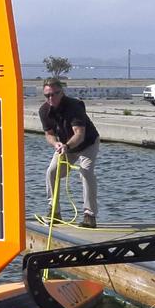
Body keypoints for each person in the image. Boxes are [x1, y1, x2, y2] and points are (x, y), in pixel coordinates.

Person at [39, 79, 99, 228]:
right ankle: (55, 212)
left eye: (54, 94)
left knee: (86, 172)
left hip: (87, 143)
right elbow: (49, 134)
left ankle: (89, 215)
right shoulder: (44, 110)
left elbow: (80, 134)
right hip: (65, 146)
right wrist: (56, 143)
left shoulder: (75, 106)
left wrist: (67, 145)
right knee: (52, 172)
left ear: (62, 92)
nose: (51, 98)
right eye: (47, 95)